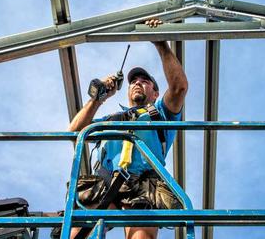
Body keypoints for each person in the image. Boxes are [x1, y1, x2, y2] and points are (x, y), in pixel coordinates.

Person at [67, 18, 188, 239]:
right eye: (134, 81)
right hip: (106, 181)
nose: (137, 82)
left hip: (144, 184)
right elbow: (74, 131)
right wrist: (99, 98)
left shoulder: (160, 114)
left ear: (154, 93)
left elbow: (179, 88)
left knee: (141, 237)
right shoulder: (111, 119)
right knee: (77, 235)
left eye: (145, 80)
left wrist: (160, 43)